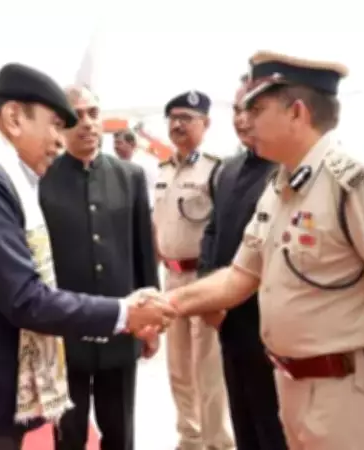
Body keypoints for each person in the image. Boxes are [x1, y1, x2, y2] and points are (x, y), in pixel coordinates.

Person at [167, 51, 364, 450]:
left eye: (257, 110)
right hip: (294, 389)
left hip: (350, 397)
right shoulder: (282, 185)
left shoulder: (357, 183)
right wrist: (167, 303)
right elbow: (239, 277)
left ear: (296, 112)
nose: (245, 121)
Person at [0, 63, 175, 450]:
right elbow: (24, 297)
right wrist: (124, 312)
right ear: (13, 118)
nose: (60, 139)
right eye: (55, 124)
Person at [40, 85, 160, 450]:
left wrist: (151, 322)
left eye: (93, 113)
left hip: (122, 327)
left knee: (120, 431)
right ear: (60, 124)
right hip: (66, 331)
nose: (88, 123)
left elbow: (143, 253)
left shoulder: (130, 177)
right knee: (69, 434)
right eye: (76, 116)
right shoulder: (43, 180)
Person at [197, 76, 287, 450]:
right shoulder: (227, 170)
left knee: (274, 424)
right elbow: (212, 231)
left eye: (252, 109)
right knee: (242, 416)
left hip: (270, 321)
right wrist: (209, 294)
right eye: (237, 109)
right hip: (227, 319)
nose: (242, 119)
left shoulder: (286, 170)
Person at [153, 90, 234, 450]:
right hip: (171, 279)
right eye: (173, 118)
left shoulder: (217, 170)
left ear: (206, 123)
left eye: (186, 118)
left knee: (208, 369)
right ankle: (190, 438)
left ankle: (218, 442)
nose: (177, 124)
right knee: (178, 367)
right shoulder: (164, 170)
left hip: (203, 279)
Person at [114, 129, 159, 206]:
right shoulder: (116, 164)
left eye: (119, 143)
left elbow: (154, 185)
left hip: (145, 205)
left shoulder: (146, 162)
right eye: (115, 143)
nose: (115, 147)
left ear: (132, 144)